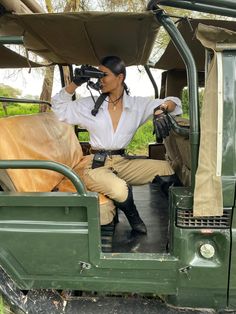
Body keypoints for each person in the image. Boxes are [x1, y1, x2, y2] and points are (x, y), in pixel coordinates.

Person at [51, 56, 182, 235]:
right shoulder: (89, 105)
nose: (100, 80)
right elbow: (58, 108)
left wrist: (161, 110)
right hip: (96, 165)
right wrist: (75, 84)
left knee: (167, 168)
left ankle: (178, 222)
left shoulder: (136, 105)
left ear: (120, 78)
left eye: (104, 75)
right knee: (120, 189)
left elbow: (175, 101)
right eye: (98, 76)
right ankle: (135, 222)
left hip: (122, 162)